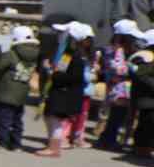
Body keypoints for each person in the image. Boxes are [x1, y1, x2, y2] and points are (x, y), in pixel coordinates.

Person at [38, 22, 93, 158]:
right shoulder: (70, 53)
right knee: (50, 117)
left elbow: (67, 75)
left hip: (64, 93)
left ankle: (54, 148)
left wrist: (51, 72)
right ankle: (52, 145)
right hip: (64, 91)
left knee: (54, 119)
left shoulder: (71, 54)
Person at [0, 25, 39, 151]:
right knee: (17, 120)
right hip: (22, 93)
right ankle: (16, 144)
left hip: (6, 91)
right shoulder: (35, 56)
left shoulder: (10, 54)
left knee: (4, 118)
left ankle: (2, 142)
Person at [93, 19, 140, 151]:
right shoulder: (116, 50)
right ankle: (108, 140)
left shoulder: (120, 49)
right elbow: (118, 68)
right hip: (120, 88)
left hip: (119, 87)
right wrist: (133, 68)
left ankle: (107, 139)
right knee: (116, 116)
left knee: (117, 115)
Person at [131, 30, 154, 158]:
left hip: (149, 97)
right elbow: (143, 76)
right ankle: (142, 148)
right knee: (146, 123)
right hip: (147, 97)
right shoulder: (147, 56)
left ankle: (146, 147)